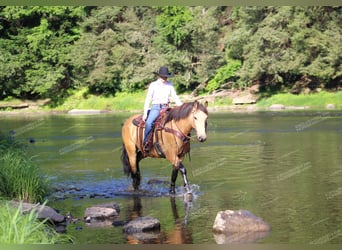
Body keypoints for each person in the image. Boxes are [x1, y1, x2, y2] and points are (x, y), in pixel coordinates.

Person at [143, 66, 183, 153]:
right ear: (159, 76)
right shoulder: (153, 85)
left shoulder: (170, 85)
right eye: (162, 76)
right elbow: (148, 99)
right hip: (156, 107)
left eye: (165, 77)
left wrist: (182, 106)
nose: (164, 78)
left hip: (166, 107)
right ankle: (146, 142)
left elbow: (175, 97)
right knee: (149, 123)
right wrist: (145, 113)